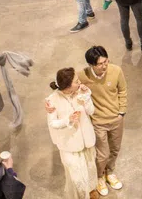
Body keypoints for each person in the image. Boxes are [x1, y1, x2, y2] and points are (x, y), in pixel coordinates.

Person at [48, 47, 127, 196]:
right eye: (100, 63)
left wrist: (121, 112)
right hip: (98, 121)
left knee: (115, 148)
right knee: (102, 153)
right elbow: (62, 84)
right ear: (91, 65)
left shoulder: (116, 70)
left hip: (116, 118)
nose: (105, 66)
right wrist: (51, 101)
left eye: (106, 61)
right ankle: (99, 177)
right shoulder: (81, 76)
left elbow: (123, 90)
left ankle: (110, 173)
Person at [45, 68, 100, 199]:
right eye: (76, 81)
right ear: (68, 87)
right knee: (78, 178)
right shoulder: (52, 100)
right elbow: (52, 123)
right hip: (69, 145)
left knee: (90, 168)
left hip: (86, 140)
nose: (80, 82)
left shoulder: (81, 92)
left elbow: (91, 111)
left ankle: (92, 191)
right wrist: (67, 120)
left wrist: (87, 98)